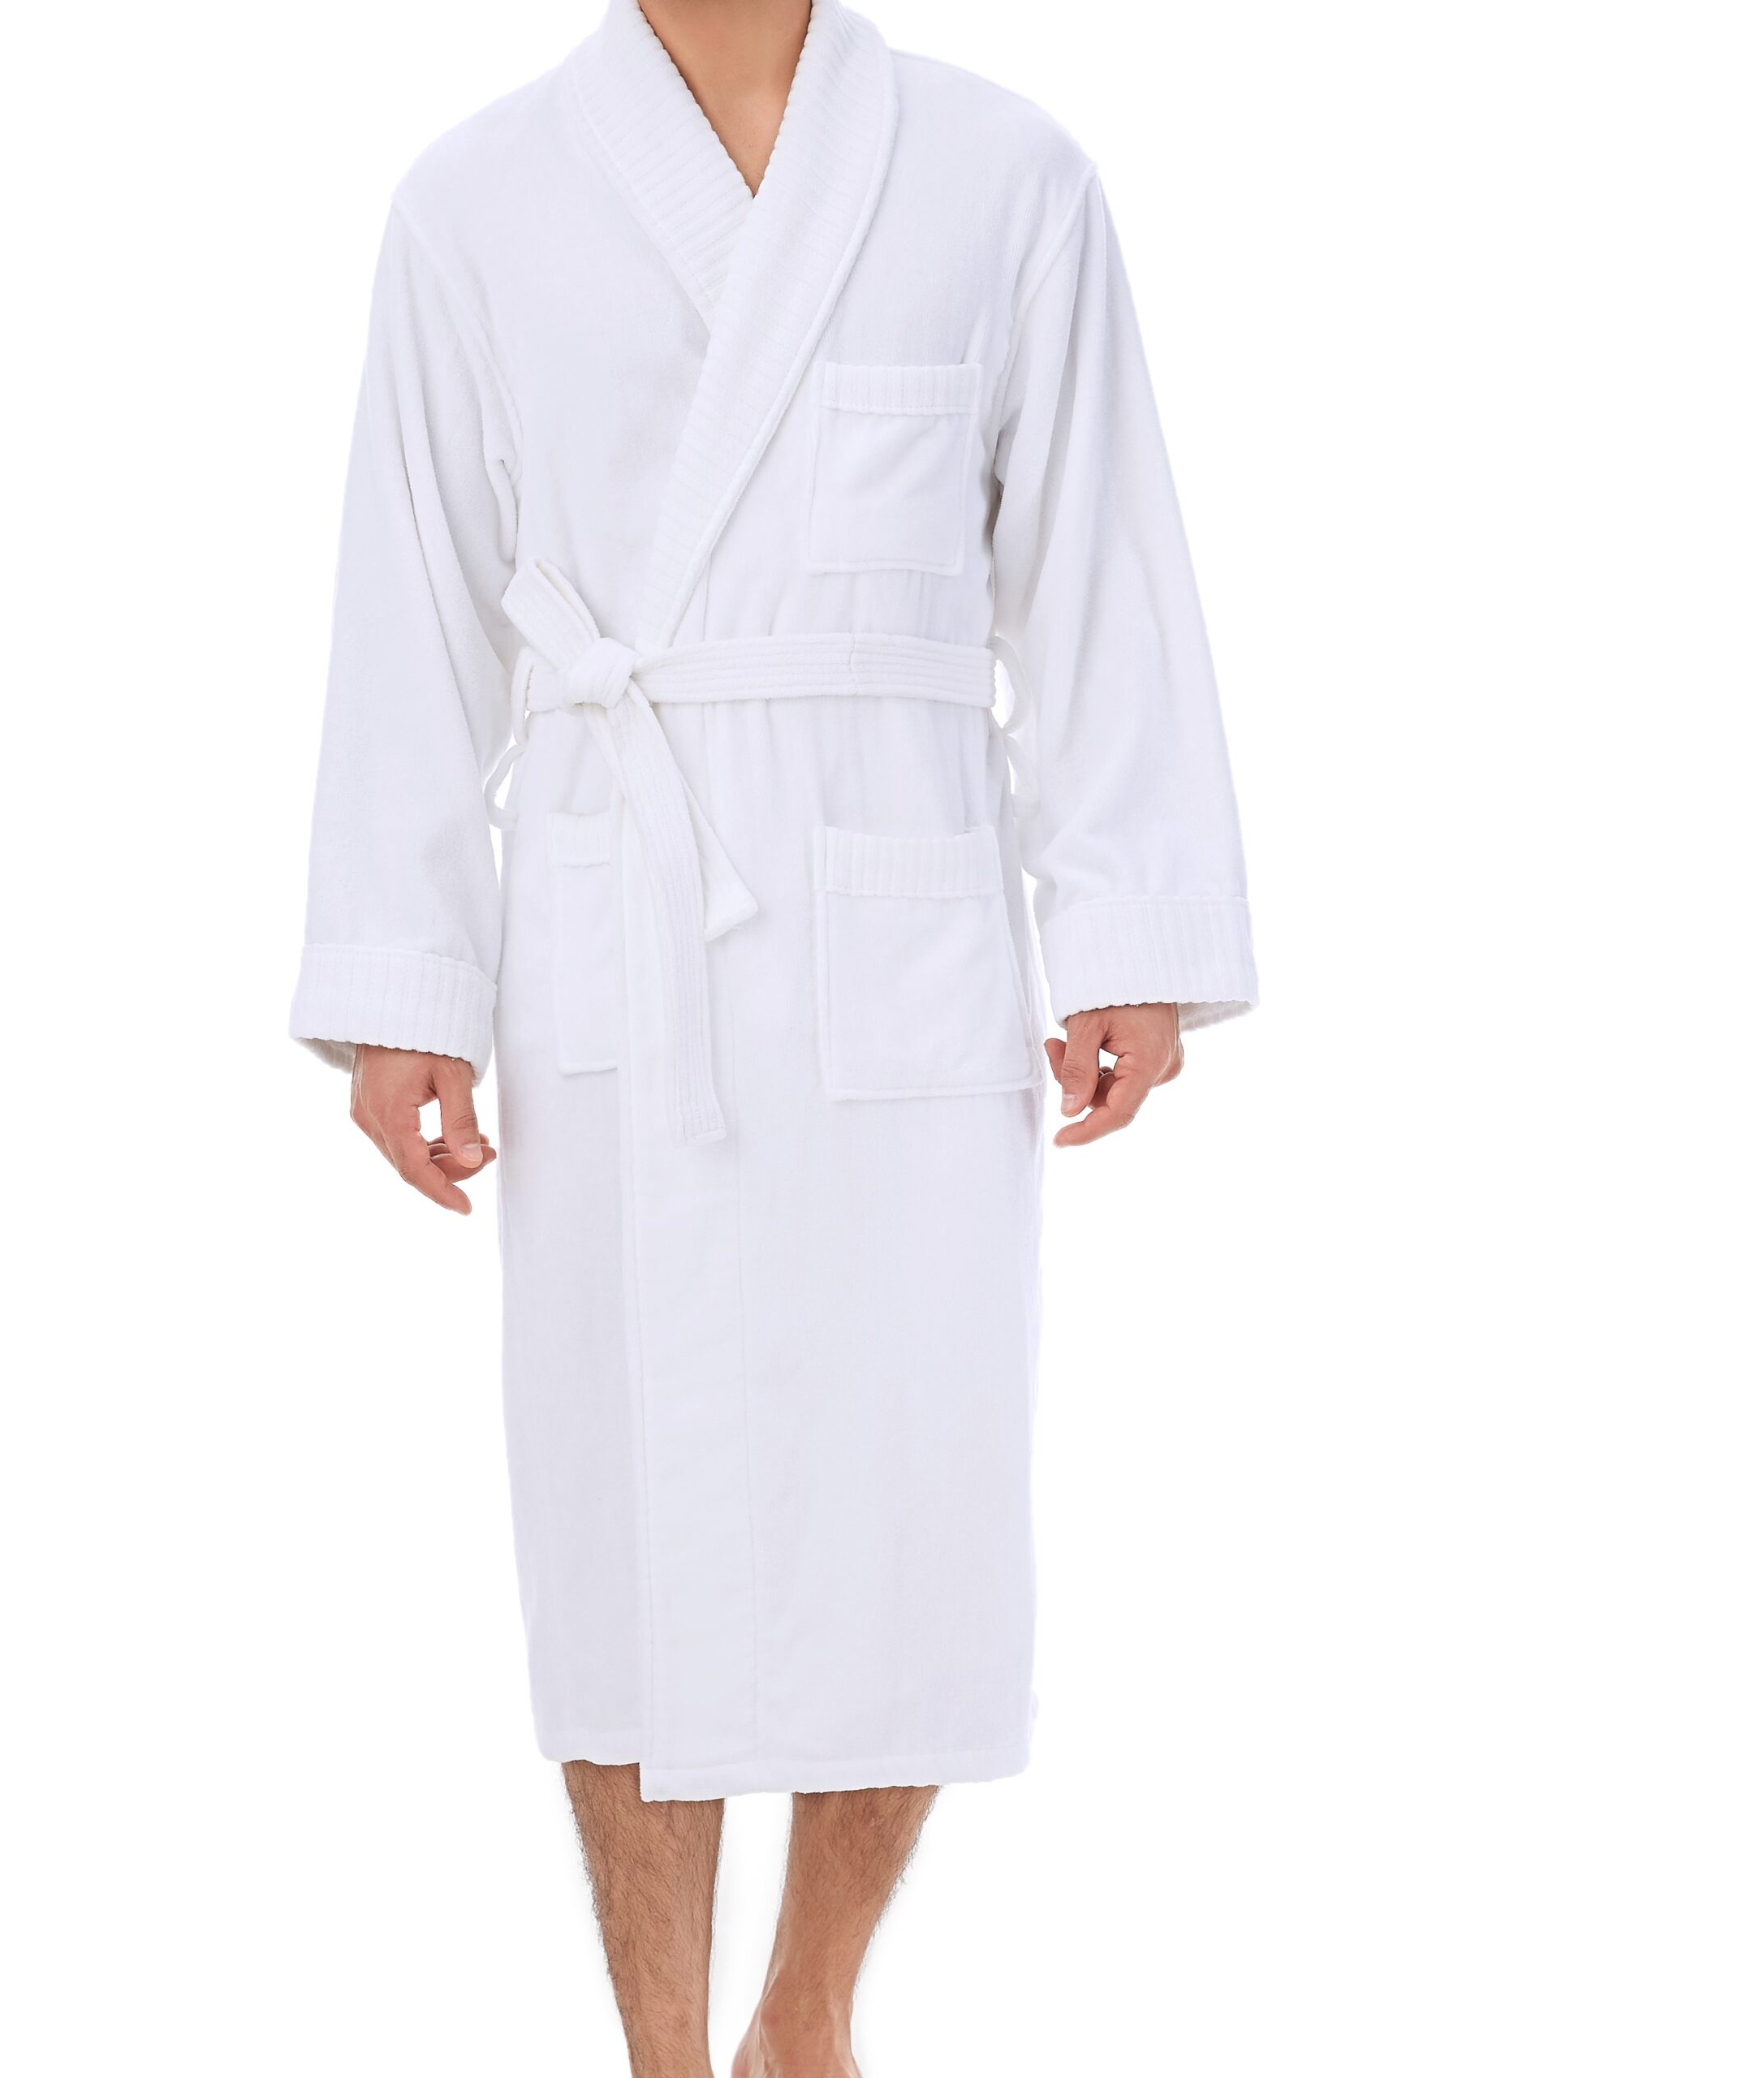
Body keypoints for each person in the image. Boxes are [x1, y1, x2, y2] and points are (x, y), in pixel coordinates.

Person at [288, 0, 1256, 2067]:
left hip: (904, 925)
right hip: (610, 925)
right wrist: (397, 984)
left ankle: (804, 2006)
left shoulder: (1005, 177)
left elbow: (1093, 564)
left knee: (908, 1503)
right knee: (622, 1524)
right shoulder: (471, 201)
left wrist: (1127, 921)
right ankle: (662, 2045)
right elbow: (411, 603)